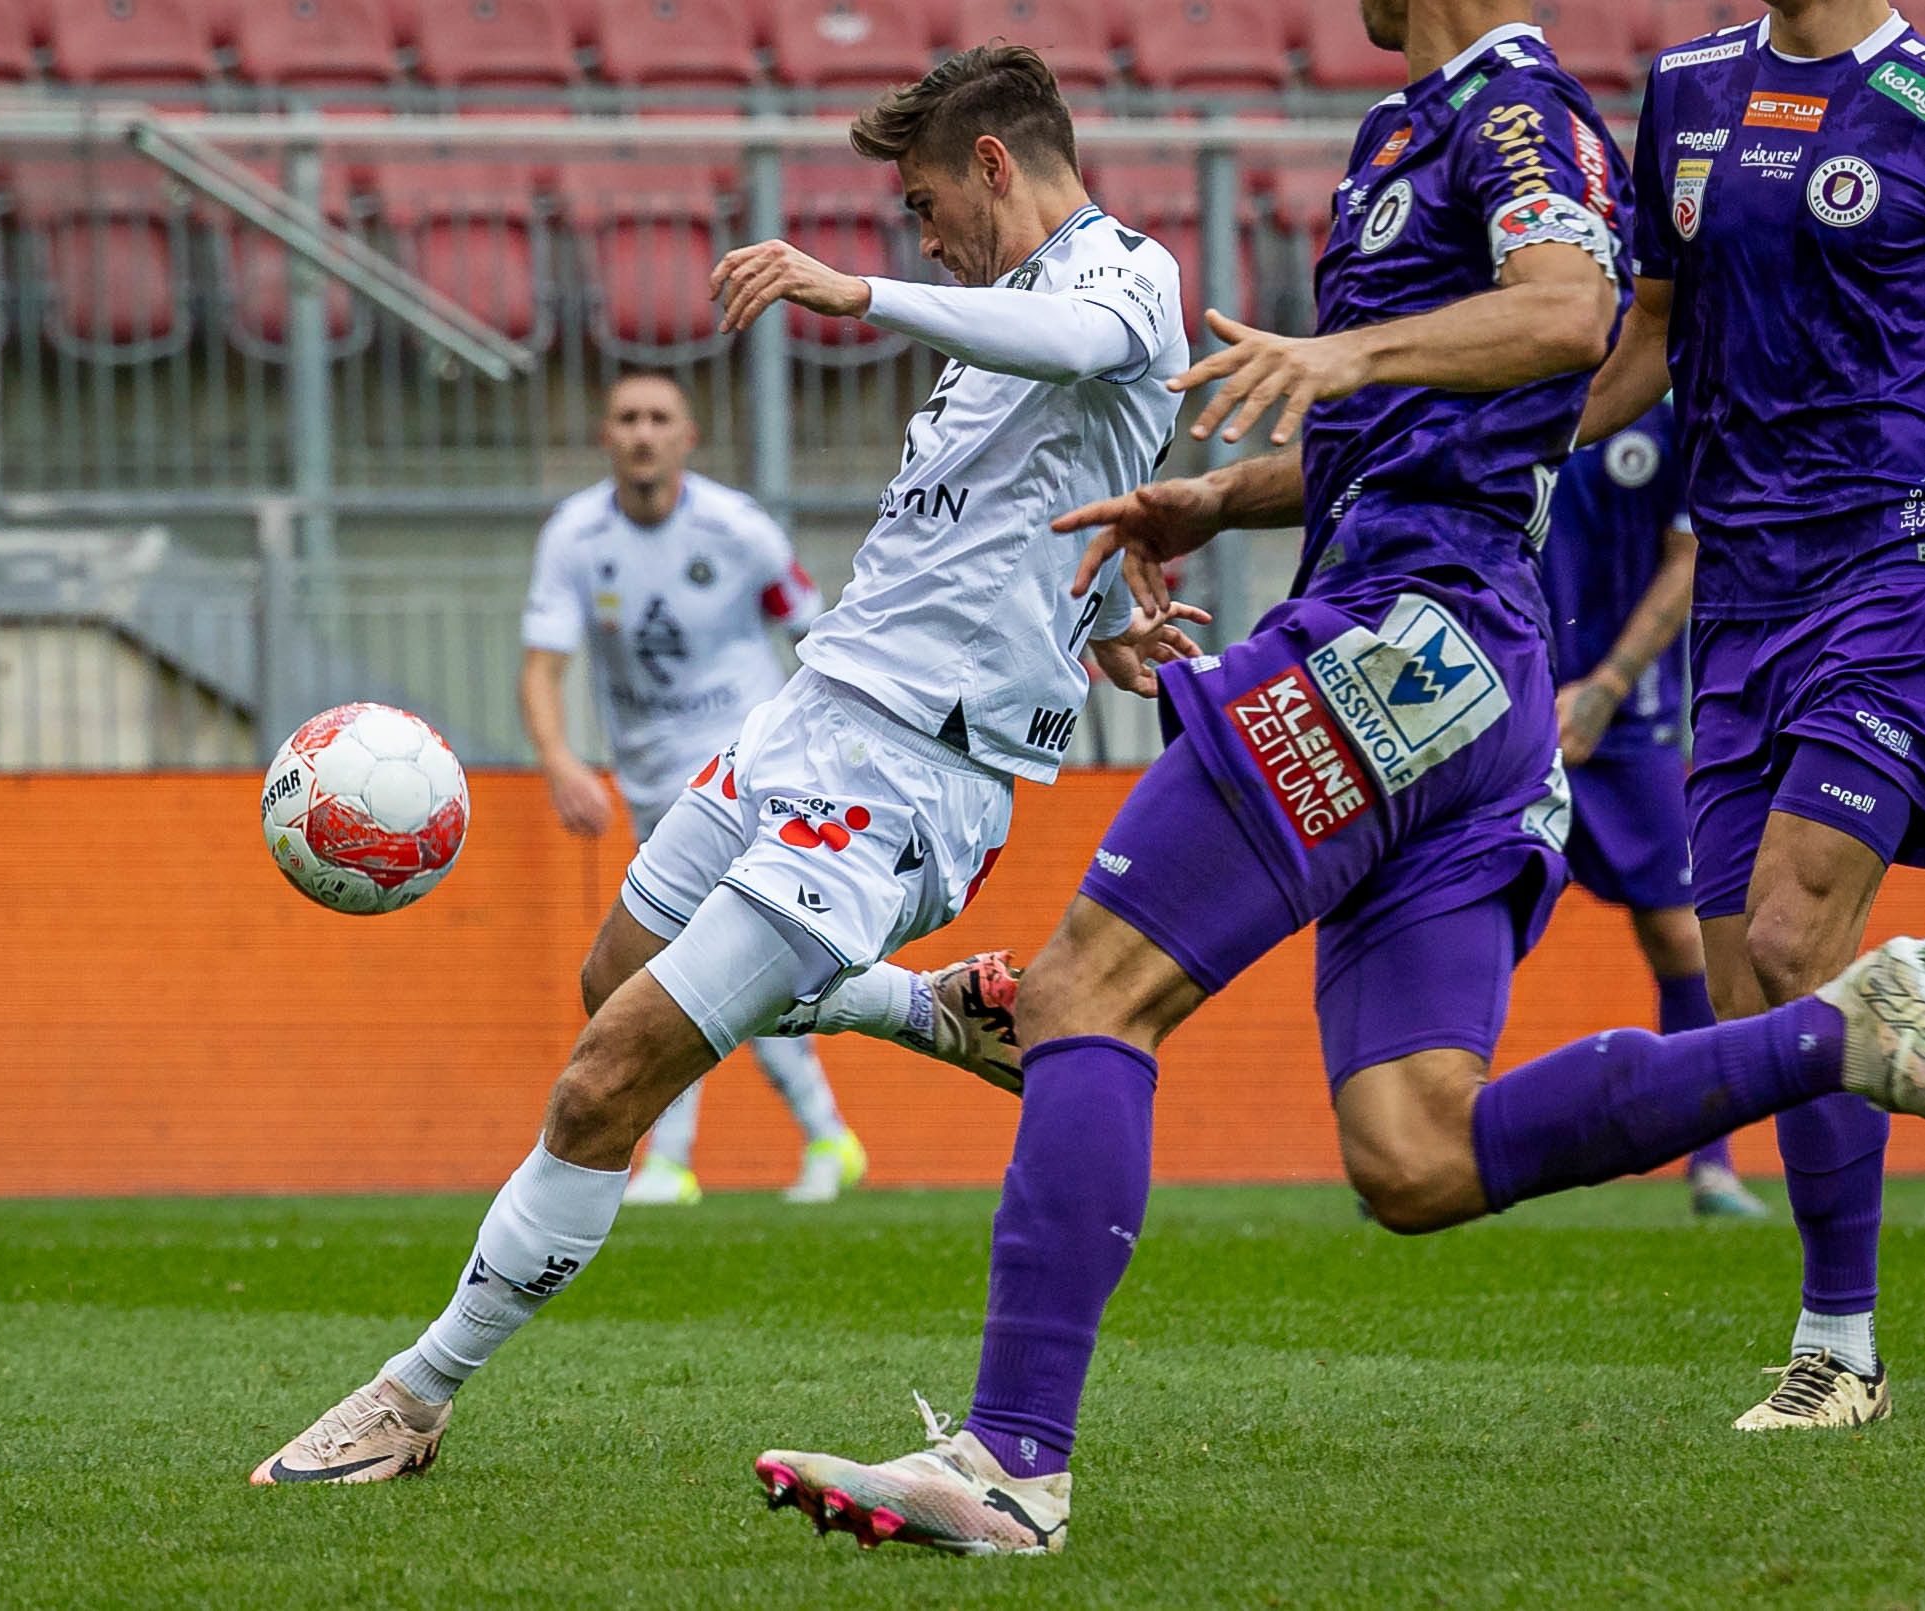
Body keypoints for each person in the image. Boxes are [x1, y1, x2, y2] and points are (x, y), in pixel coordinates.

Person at [753, 2, 1925, 1555]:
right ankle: (1837, 1032)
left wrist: (1336, 353)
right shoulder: (1412, 121)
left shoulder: (1515, 107)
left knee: (1084, 994)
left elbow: (1571, 314)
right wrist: (1217, 496)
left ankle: (1012, 1460)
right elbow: (1444, 425)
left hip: (1402, 636)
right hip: (1463, 673)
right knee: (1414, 1154)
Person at [249, 44, 1201, 1485]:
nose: (917, 230)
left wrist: (850, 290)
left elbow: (1080, 354)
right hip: (803, 715)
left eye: (925, 198)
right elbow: (998, 532)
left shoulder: (1123, 276)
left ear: (995, 165)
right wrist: (1081, 628)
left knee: (601, 1080)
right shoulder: (992, 315)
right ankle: (923, 1008)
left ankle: (413, 1391)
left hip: (905, 777)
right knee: (609, 978)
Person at [1572, 0, 1924, 1429]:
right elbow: (1653, 326)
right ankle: (1844, 1347)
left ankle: (1834, 1346)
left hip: (1891, 559)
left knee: (1794, 934)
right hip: (1740, 582)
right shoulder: (1688, 87)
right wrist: (1506, 447)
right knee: (1752, 1004)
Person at [520, 372, 867, 1206]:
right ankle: (825, 1135)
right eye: (626, 418)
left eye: (658, 419)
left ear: (687, 437)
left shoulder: (737, 529)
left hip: (742, 772)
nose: (642, 433)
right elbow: (543, 664)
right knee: (715, 965)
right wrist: (562, 761)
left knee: (688, 961)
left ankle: (673, 1158)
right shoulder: (576, 537)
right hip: (648, 784)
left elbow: (815, 632)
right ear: (605, 437)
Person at [1539, 401, 1765, 1219]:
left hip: (1629, 717)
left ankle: (1710, 1163)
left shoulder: (1666, 402)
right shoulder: (1506, 368)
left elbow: (1688, 555)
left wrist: (1607, 685)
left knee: (1679, 935)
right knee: (1464, 904)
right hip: (1502, 695)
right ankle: (1415, 1134)